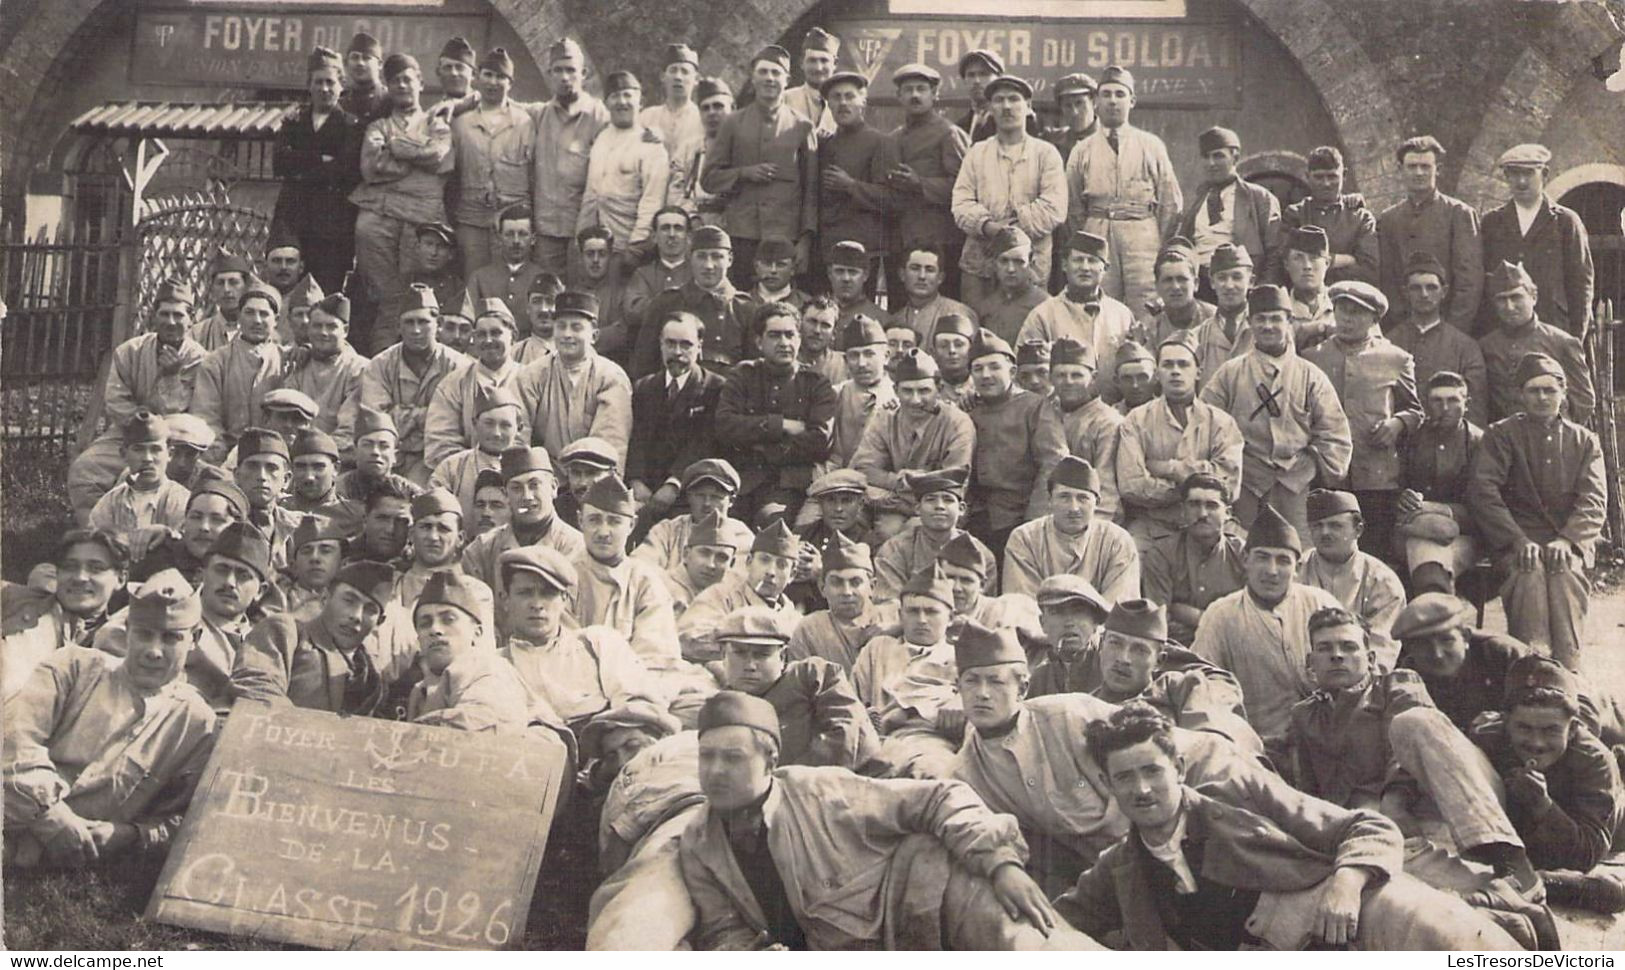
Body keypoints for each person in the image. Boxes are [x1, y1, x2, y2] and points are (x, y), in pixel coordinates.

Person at [1056, 702, 1523, 950]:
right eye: (1124, 777)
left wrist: (1346, 883)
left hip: (1338, 914)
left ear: (1177, 768)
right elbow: (1053, 925)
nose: (1141, 789)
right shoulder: (1117, 868)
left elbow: (1368, 827)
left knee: (1431, 926)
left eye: (1151, 771)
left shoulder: (1238, 793)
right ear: (1106, 784)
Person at [678, 690, 1092, 950]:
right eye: (706, 756)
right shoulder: (699, 842)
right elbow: (721, 927)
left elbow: (938, 797)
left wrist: (999, 863)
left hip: (926, 896)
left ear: (770, 761)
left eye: (732, 758)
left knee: (1034, 945)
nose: (714, 772)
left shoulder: (819, 792)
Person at [1288, 608, 1544, 892]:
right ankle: (1521, 890)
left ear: (1371, 659)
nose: (1337, 655)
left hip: (1447, 804)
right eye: (1325, 648)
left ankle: (1511, 859)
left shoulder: (1396, 685)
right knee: (1386, 867)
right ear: (1311, 662)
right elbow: (1309, 792)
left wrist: (1395, 797)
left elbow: (1415, 741)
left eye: (1348, 647)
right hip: (1391, 830)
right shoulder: (1304, 717)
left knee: (1413, 721)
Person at [3, 571, 216, 869]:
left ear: (194, 640)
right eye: (144, 633)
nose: (154, 651)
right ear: (127, 629)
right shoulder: (72, 667)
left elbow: (186, 819)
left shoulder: (196, 724)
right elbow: (13, 743)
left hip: (75, 858)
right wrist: (51, 817)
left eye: (171, 638)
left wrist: (128, 835)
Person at [1470, 351, 1605, 670]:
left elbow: (1594, 498)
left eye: (1550, 390)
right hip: (1515, 541)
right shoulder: (1501, 435)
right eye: (1534, 390)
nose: (1542, 397)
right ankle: (1532, 665)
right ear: (1520, 395)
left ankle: (1569, 666)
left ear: (1563, 394)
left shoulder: (1584, 441)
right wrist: (1517, 540)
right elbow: (1483, 491)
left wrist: (1567, 541)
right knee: (1528, 574)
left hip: (1564, 542)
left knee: (1565, 572)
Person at [1199, 284, 1352, 534]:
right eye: (1260, 319)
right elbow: (1205, 423)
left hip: (1295, 485)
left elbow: (1335, 435)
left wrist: (1308, 465)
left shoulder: (1310, 375)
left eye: (1275, 319)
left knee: (1297, 554)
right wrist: (1231, 464)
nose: (1268, 326)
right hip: (1244, 483)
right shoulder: (1230, 373)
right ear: (1250, 322)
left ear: (1289, 321)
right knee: (1243, 550)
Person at [1192, 502, 1342, 751]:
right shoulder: (1221, 614)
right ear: (1245, 560)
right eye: (1262, 557)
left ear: (1297, 568)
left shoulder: (1320, 604)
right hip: (1255, 746)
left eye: (1283, 561)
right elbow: (1201, 686)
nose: (1272, 571)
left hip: (1326, 741)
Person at [68, 280, 207, 521]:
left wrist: (172, 377)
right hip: (129, 431)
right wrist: (142, 425)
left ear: (191, 319)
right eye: (164, 314)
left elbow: (187, 412)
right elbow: (115, 400)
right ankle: (96, 531)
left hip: (180, 441)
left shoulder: (201, 360)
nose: (171, 322)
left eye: (178, 315)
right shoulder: (129, 351)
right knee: (86, 469)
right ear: (154, 317)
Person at [1302, 280, 1422, 556]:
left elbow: (1416, 411)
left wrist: (1398, 422)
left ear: (1374, 318)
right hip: (1327, 473)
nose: (1346, 319)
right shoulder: (1313, 358)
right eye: (1341, 310)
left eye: (1356, 312)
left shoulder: (1396, 359)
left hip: (1377, 476)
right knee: (1327, 548)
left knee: (1373, 550)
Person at [497, 545, 660, 733]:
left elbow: (640, 706)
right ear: (505, 600)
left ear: (565, 600)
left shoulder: (598, 644)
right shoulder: (496, 666)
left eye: (548, 593)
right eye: (525, 593)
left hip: (605, 748)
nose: (537, 604)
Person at [351, 54, 452, 347]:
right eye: (395, 81)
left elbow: (439, 156)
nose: (402, 85)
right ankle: (383, 360)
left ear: (420, 83)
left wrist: (396, 147)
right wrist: (416, 158)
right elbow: (371, 167)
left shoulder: (436, 122)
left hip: (421, 218)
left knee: (415, 293)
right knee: (387, 297)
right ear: (387, 86)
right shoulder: (378, 127)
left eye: (408, 79)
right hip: (379, 219)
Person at [1064, 65, 1182, 314]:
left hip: (1142, 233)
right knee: (1100, 302)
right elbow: (1073, 206)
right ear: (1096, 102)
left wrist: (1158, 242)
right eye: (1106, 95)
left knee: (1147, 303)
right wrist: (1087, 238)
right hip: (1097, 231)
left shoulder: (1151, 145)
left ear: (1132, 101)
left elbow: (1171, 202)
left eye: (1120, 94)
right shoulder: (1082, 150)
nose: (1113, 101)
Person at [701, 44, 818, 288]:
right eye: (763, 72)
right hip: (742, 236)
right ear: (753, 78)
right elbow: (709, 178)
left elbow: (811, 191)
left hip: (785, 236)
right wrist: (744, 173)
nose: (769, 78)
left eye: (776, 73)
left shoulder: (802, 127)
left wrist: (805, 241)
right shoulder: (732, 123)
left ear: (787, 80)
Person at [230, 559, 405, 716]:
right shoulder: (287, 631)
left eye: (370, 609)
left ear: (379, 622)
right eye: (349, 600)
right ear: (324, 598)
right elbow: (256, 686)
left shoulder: (372, 674)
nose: (357, 616)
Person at [714, 606, 880, 771]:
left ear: (782, 656)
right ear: (723, 655)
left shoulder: (813, 675)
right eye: (740, 653)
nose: (750, 665)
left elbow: (845, 735)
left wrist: (781, 779)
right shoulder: (722, 707)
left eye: (761, 655)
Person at [1117, 336, 1244, 552]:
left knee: (1246, 556)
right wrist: (1192, 489)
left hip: (1212, 525)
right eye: (1168, 365)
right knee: (1130, 557)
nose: (1175, 371)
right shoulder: (1136, 421)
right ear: (1157, 373)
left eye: (1183, 364)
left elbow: (1229, 485)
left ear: (1198, 371)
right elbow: (1132, 485)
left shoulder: (1221, 422)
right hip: (1154, 526)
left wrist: (1169, 469)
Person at [951, 74, 1066, 309]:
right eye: (999, 100)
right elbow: (961, 203)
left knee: (1028, 328)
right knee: (977, 325)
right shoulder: (977, 153)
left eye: (1014, 99)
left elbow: (1055, 206)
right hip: (980, 261)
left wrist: (1013, 230)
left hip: (1029, 262)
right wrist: (988, 227)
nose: (1006, 106)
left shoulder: (1046, 153)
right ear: (991, 107)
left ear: (1028, 106)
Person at [714, 302, 836, 522]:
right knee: (721, 522)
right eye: (774, 336)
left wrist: (761, 446)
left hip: (788, 484)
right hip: (742, 481)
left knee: (770, 521)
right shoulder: (742, 376)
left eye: (790, 335)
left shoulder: (816, 384)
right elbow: (725, 426)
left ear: (799, 339)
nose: (784, 343)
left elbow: (819, 441)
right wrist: (781, 425)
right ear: (759, 342)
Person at [406, 570, 560, 733]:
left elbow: (480, 722)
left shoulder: (488, 669)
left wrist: (408, 735)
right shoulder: (421, 690)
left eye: (448, 620)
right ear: (418, 640)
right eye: (425, 623)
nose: (435, 629)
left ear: (477, 633)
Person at [850, 565, 963, 780]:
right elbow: (853, 703)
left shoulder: (962, 657)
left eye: (931, 612)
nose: (921, 619)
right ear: (900, 615)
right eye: (913, 611)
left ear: (950, 617)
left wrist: (959, 700)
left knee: (932, 774)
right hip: (877, 744)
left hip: (933, 746)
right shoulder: (878, 649)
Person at [964, 330, 1068, 557]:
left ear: (1012, 372)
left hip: (1018, 516)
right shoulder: (969, 410)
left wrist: (1034, 521)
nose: (986, 375)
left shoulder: (1035, 407)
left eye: (994, 367)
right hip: (975, 518)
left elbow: (1053, 463)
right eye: (978, 369)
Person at [358, 285, 471, 484]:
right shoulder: (380, 365)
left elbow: (459, 421)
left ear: (439, 324)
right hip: (390, 456)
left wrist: (403, 415)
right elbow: (375, 420)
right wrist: (431, 415)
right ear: (398, 326)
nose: (416, 330)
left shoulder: (459, 366)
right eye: (409, 322)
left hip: (439, 457)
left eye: (423, 322)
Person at [1479, 144, 1593, 339]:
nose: (1521, 181)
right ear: (1506, 176)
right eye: (1514, 173)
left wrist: (1575, 338)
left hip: (1553, 328)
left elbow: (1581, 283)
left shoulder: (1565, 222)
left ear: (1545, 174)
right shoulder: (1491, 223)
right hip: (1503, 331)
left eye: (1529, 173)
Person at [271, 50, 360, 294]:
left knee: (325, 291)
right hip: (293, 217)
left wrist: (301, 164)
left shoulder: (350, 125)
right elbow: (279, 163)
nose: (324, 88)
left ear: (341, 86)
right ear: (309, 86)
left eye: (330, 82)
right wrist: (321, 160)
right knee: (288, 288)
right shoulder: (294, 121)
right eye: (318, 82)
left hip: (332, 225)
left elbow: (346, 171)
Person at [512, 290, 633, 469]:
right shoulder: (532, 375)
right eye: (561, 326)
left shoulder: (611, 377)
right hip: (543, 476)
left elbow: (610, 443)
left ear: (594, 336)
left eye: (576, 327)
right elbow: (518, 438)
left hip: (594, 474)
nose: (567, 334)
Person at [2, 529, 128, 697]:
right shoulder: (13, 599)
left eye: (96, 568)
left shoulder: (121, 637)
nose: (80, 577)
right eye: (70, 567)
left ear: (120, 579)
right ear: (58, 573)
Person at [1377, 135, 1482, 332]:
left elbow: (1469, 281)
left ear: (1438, 170)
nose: (1418, 173)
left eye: (1425, 167)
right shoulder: (1388, 219)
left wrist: (1453, 331)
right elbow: (1388, 278)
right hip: (1402, 329)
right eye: (1412, 166)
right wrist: (1401, 327)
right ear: (1401, 170)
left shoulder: (1459, 214)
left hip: (1448, 327)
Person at [574, 476, 682, 663]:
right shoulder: (563, 577)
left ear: (631, 524)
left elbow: (655, 653)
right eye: (594, 520)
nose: (603, 532)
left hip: (634, 681)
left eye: (614, 522)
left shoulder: (645, 582)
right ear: (580, 521)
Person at [886, 63, 969, 301]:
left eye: (921, 89)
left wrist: (920, 183)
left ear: (934, 95)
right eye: (908, 89)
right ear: (898, 96)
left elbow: (965, 189)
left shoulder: (949, 134)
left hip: (941, 244)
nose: (914, 95)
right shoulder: (894, 137)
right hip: (902, 243)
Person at [850, 349, 976, 507]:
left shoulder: (957, 423)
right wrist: (900, 482)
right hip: (892, 504)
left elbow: (954, 481)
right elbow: (864, 469)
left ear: (939, 389)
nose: (915, 400)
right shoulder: (885, 419)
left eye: (924, 391)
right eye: (907, 391)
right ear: (896, 391)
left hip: (939, 509)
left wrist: (895, 485)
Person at [1003, 457, 1139, 601]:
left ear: (1097, 503)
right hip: (1038, 622)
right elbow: (1021, 604)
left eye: (1083, 498)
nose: (1073, 508)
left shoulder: (1117, 542)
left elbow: (1119, 606)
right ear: (1050, 500)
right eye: (1064, 497)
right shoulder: (1024, 539)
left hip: (1100, 622)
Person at [1396, 371, 1484, 594]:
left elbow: (1485, 504)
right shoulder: (1410, 438)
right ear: (1426, 404)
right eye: (1437, 401)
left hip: (1463, 536)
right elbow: (1393, 486)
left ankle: (1433, 613)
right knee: (1428, 557)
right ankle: (1441, 618)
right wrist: (1403, 498)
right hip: (1412, 530)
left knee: (1432, 563)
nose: (1445, 408)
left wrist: (1436, 509)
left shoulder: (1481, 443)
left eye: (1453, 400)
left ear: (1467, 404)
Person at [1479, 260, 1595, 426]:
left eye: (1516, 297)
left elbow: (1584, 400)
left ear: (1533, 297)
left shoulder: (1562, 342)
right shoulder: (1486, 346)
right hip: (1504, 441)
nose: (1509, 307)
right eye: (1502, 300)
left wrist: (1559, 433)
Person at [449, 47, 534, 273]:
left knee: (511, 277)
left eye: (500, 77)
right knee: (474, 279)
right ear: (477, 78)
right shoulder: (461, 123)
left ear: (510, 84)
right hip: (471, 218)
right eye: (488, 74)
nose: (493, 82)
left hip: (512, 220)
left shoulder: (525, 123)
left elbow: (534, 172)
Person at [531, 38, 611, 276]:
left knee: (581, 293)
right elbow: (505, 106)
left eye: (571, 70)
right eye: (558, 70)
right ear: (549, 74)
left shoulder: (599, 115)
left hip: (584, 228)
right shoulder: (539, 114)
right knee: (548, 291)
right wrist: (462, 101)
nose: (565, 77)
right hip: (547, 229)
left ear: (583, 73)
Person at [632, 226, 755, 377]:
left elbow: (755, 373)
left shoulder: (746, 309)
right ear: (690, 258)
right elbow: (643, 366)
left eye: (717, 256)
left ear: (729, 260)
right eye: (701, 256)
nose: (709, 265)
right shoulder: (665, 304)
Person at [1385, 252, 1490, 428]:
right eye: (1416, 288)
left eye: (1431, 287)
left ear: (1444, 292)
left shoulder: (1465, 347)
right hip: (1403, 441)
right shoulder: (1389, 343)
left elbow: (1475, 409)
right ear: (1405, 292)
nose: (1424, 294)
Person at [460, 446, 586, 591]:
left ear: (553, 487)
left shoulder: (577, 547)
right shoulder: (482, 550)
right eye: (516, 488)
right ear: (505, 495)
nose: (527, 496)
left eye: (534, 485)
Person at [420, 301, 528, 470]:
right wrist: (475, 469)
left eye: (496, 333)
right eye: (481, 335)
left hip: (523, 473)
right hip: (465, 474)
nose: (488, 340)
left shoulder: (532, 379)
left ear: (513, 336)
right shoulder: (454, 383)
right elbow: (440, 441)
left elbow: (545, 436)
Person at [1141, 474, 1247, 646]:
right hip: (1176, 653)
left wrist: (1190, 615)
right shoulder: (1161, 554)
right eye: (1194, 504)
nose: (1203, 513)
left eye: (1212, 506)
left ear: (1227, 513)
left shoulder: (1243, 554)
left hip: (1232, 649)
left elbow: (1250, 622)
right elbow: (1159, 625)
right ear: (1183, 510)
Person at [579, 71, 671, 265]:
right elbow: (591, 194)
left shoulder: (651, 146)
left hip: (629, 245)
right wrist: (580, 236)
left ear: (640, 102)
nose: (622, 102)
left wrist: (636, 248)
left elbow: (652, 201)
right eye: (615, 96)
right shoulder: (601, 139)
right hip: (598, 248)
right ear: (606, 103)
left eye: (628, 95)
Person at [679, 521, 803, 663]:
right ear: (749, 562)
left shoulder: (794, 618)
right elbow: (688, 639)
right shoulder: (720, 596)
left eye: (781, 565)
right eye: (764, 560)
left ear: (792, 574)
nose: (770, 572)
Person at [1178, 126, 1282, 284]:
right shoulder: (1198, 199)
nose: (1211, 163)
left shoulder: (1259, 198)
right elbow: (1183, 245)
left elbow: (1275, 254)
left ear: (1235, 158)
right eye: (1206, 157)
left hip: (1238, 285)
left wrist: (1263, 292)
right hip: (1200, 285)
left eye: (1218, 156)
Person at [1017, 230, 1135, 370]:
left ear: (1105, 268)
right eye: (1078, 260)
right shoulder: (1043, 315)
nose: (1085, 267)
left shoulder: (1122, 315)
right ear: (1065, 265)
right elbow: (1025, 369)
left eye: (1092, 261)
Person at [191, 283, 283, 461]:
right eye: (249, 313)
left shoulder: (288, 360)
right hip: (226, 456)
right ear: (239, 317)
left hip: (276, 454)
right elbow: (206, 417)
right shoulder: (216, 362)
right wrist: (223, 457)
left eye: (264, 314)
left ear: (276, 320)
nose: (256, 320)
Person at [872, 467, 993, 602]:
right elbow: (889, 603)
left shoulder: (980, 554)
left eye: (948, 500)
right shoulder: (894, 549)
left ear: (961, 509)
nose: (939, 506)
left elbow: (984, 605)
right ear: (917, 508)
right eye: (931, 499)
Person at [785, 532, 894, 674]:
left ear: (872, 586)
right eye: (837, 583)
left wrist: (898, 630)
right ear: (822, 588)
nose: (847, 592)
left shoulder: (894, 616)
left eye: (855, 582)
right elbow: (799, 683)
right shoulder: (809, 629)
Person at [633, 459, 755, 575]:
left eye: (716, 497)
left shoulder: (742, 537)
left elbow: (738, 581)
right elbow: (640, 566)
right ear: (689, 497)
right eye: (700, 495)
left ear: (731, 501)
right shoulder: (668, 530)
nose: (707, 503)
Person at [1047, 337, 1123, 520]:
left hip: (1088, 518)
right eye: (1060, 375)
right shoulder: (1044, 412)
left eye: (1077, 375)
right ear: (1050, 378)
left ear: (1093, 378)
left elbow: (1107, 492)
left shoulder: (1108, 422)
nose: (1068, 382)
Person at [282, 293, 367, 453]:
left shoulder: (359, 369)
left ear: (346, 330)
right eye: (317, 326)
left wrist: (315, 450)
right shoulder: (297, 361)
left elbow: (348, 429)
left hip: (339, 453)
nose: (323, 332)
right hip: (295, 450)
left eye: (331, 326)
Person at [87, 411, 190, 543]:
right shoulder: (110, 502)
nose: (147, 458)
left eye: (155, 449)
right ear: (124, 454)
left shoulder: (181, 501)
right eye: (138, 449)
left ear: (169, 454)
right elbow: (94, 544)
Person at [826, 315, 895, 468]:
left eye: (869, 354)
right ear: (845, 360)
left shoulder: (900, 398)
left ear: (886, 356)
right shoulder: (835, 394)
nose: (861, 363)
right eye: (854, 355)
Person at [466, 204, 548, 326]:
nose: (516, 241)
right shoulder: (479, 278)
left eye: (522, 234)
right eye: (509, 234)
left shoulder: (543, 278)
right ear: (499, 238)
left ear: (533, 239)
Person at [672, 77, 733, 220]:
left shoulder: (745, 146)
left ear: (733, 108)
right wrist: (692, 218)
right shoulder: (688, 149)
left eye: (718, 106)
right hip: (694, 222)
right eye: (705, 108)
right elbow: (676, 192)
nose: (711, 113)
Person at [972, 228, 1047, 344]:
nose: (1011, 269)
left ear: (1031, 263)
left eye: (1019, 262)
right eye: (1004, 261)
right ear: (994, 263)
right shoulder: (986, 307)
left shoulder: (1045, 306)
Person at [660, 510, 739, 617]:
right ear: (686, 554)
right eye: (704, 553)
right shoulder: (660, 588)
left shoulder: (733, 597)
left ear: (732, 563)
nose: (711, 565)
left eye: (721, 558)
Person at [1142, 244, 1217, 354]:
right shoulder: (1149, 329)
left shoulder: (1215, 319)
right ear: (1157, 286)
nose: (1176, 287)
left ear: (1196, 284)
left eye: (1182, 279)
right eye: (1168, 280)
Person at [623, 207, 693, 324]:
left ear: (688, 237)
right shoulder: (643, 274)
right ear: (654, 236)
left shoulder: (697, 272)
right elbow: (633, 311)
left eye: (678, 228)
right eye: (665, 228)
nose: (672, 234)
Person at [639, 43, 703, 162]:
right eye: (673, 70)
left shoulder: (702, 119)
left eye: (685, 71)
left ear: (696, 79)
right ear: (663, 76)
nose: (678, 77)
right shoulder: (646, 117)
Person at [1283, 226, 1336, 352]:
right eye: (1298, 258)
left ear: (1327, 263)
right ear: (1286, 264)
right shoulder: (1277, 309)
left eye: (1314, 258)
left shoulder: (1346, 304)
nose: (1307, 266)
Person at [1042, 73, 1099, 191]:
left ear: (1094, 102)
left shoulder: (1113, 141)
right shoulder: (1052, 142)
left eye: (1079, 103)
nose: (1074, 112)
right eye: (1068, 106)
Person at [189, 249, 253, 352]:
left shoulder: (257, 330)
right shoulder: (197, 333)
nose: (226, 289)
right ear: (212, 289)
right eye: (220, 283)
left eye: (233, 282)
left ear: (246, 287)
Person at [782, 27, 839, 136]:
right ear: (801, 63)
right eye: (812, 60)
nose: (818, 68)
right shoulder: (785, 99)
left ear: (835, 64)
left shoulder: (843, 102)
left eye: (824, 60)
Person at [928, 313, 979, 406]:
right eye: (944, 345)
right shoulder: (926, 389)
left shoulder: (982, 387)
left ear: (971, 350)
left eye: (959, 345)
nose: (952, 350)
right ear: (933, 353)